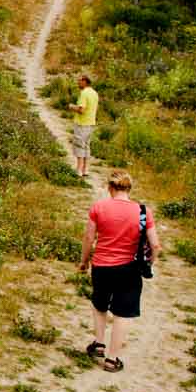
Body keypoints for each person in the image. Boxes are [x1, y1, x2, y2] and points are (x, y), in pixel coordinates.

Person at [78, 170, 160, 372]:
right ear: (129, 189)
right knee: (123, 313)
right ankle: (112, 359)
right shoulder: (143, 211)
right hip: (129, 269)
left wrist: (84, 262)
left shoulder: (99, 207)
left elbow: (89, 238)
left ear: (110, 187)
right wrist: (149, 263)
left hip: (101, 266)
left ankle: (99, 343)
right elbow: (155, 245)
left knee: (99, 304)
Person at [67, 75, 98, 178]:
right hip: (91, 123)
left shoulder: (84, 93)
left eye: (79, 81)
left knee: (79, 145)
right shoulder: (94, 93)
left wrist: (72, 107)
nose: (78, 83)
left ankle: (79, 170)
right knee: (86, 146)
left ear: (85, 81)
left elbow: (81, 110)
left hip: (82, 124)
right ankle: (86, 169)